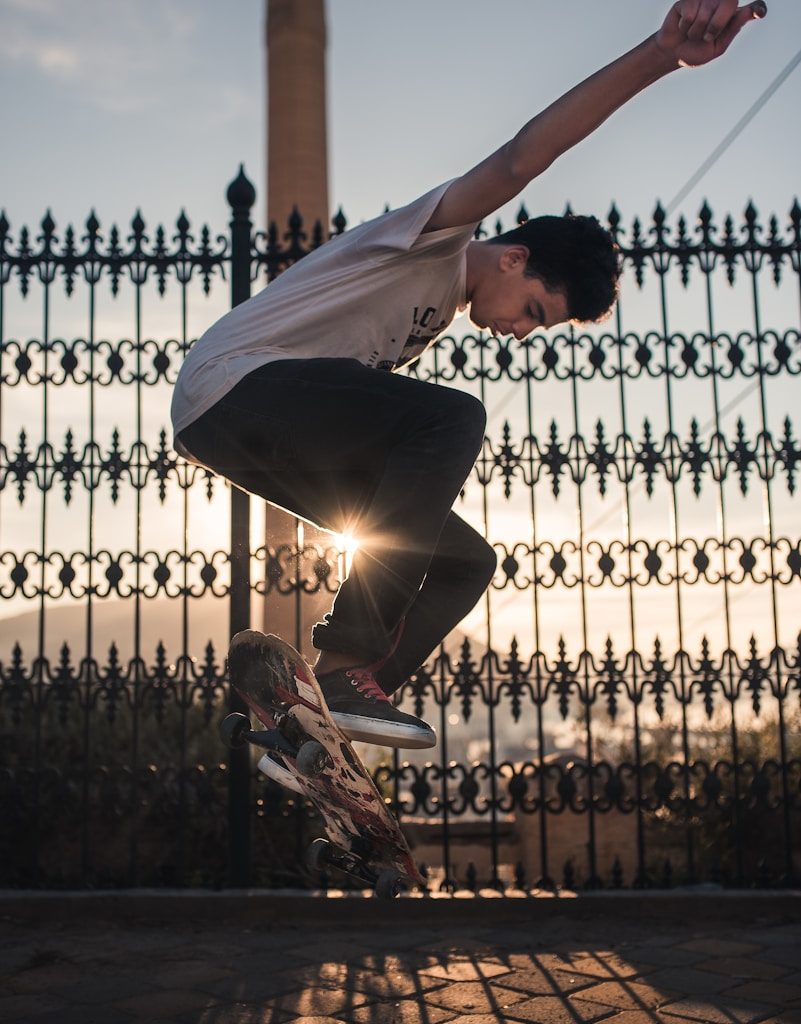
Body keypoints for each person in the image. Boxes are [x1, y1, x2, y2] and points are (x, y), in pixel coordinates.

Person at [172, 0, 767, 750]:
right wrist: (660, 54)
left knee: (464, 560)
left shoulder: (438, 307)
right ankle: (349, 658)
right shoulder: (436, 240)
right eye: (533, 311)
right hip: (233, 388)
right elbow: (522, 158)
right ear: (514, 257)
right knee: (452, 418)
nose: (520, 331)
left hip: (252, 430)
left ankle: (324, 716)